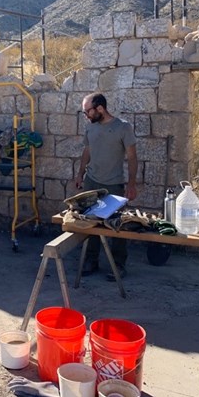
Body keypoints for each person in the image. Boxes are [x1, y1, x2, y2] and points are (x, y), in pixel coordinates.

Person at [75, 92, 138, 280]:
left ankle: (118, 265)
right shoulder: (91, 128)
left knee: (116, 226)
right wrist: (80, 173)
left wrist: (132, 184)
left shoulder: (123, 128)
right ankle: (90, 260)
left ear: (100, 109)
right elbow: (87, 151)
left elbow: (132, 157)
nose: (86, 115)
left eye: (88, 111)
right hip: (91, 182)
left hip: (114, 185)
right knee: (90, 223)